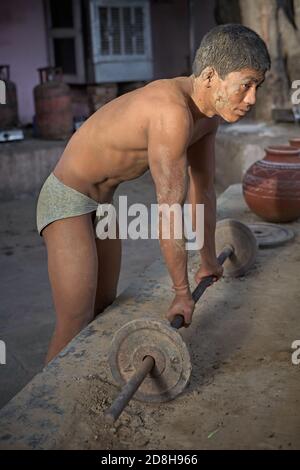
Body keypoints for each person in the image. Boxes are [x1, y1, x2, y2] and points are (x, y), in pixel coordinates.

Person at [36, 24, 270, 363]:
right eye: (245, 85)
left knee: (103, 306)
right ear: (209, 77)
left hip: (104, 204)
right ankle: (41, 410)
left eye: (257, 87)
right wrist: (180, 292)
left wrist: (206, 260)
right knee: (75, 317)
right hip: (67, 197)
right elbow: (169, 210)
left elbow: (202, 191)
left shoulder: (207, 117)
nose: (252, 99)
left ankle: (82, 390)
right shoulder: (170, 113)